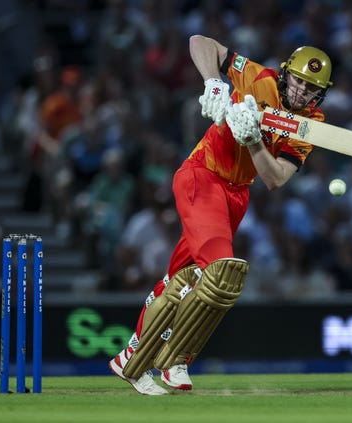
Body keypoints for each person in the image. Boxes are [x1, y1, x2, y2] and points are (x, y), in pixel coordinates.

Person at [108, 34, 334, 395]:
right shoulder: (258, 78)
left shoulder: (312, 123)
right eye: (299, 82)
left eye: (312, 89)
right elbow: (200, 42)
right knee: (222, 273)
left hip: (236, 195)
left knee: (180, 279)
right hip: (203, 175)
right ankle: (174, 361)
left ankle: (132, 357)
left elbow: (275, 179)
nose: (303, 93)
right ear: (286, 73)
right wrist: (213, 81)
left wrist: (253, 140)